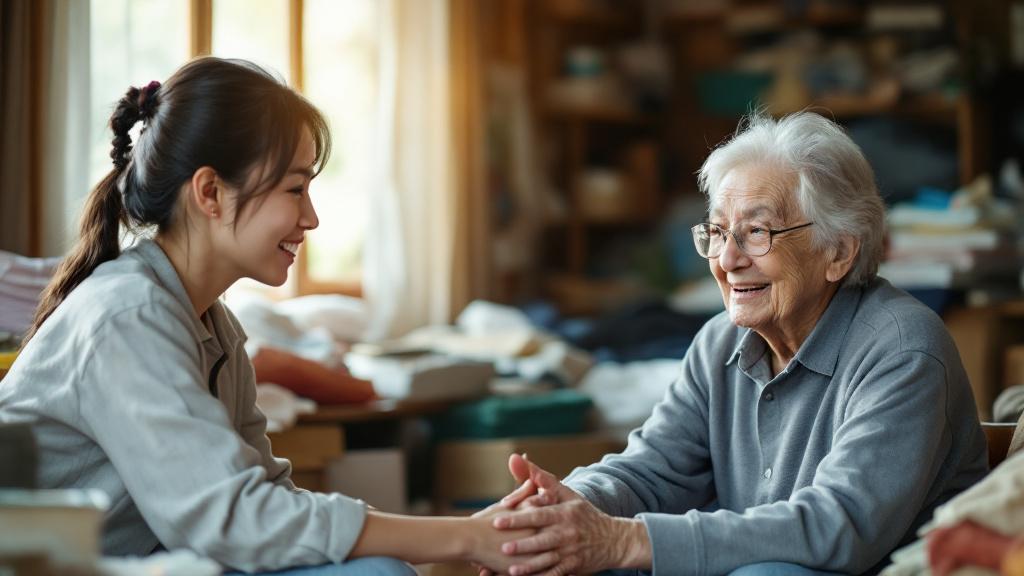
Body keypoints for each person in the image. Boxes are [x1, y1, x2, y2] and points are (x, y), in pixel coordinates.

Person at [0, 57, 530, 575]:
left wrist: (472, 534)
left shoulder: (214, 326)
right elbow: (235, 521)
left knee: (376, 567)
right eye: (295, 189)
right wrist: (466, 536)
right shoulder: (128, 314)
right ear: (210, 192)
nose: (311, 217)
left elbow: (267, 502)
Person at [480, 111, 989, 575]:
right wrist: (561, 507)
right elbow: (650, 472)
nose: (727, 260)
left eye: (757, 233)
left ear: (837, 251)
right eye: (719, 233)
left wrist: (624, 540)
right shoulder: (719, 343)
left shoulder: (903, 350)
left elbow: (838, 525)